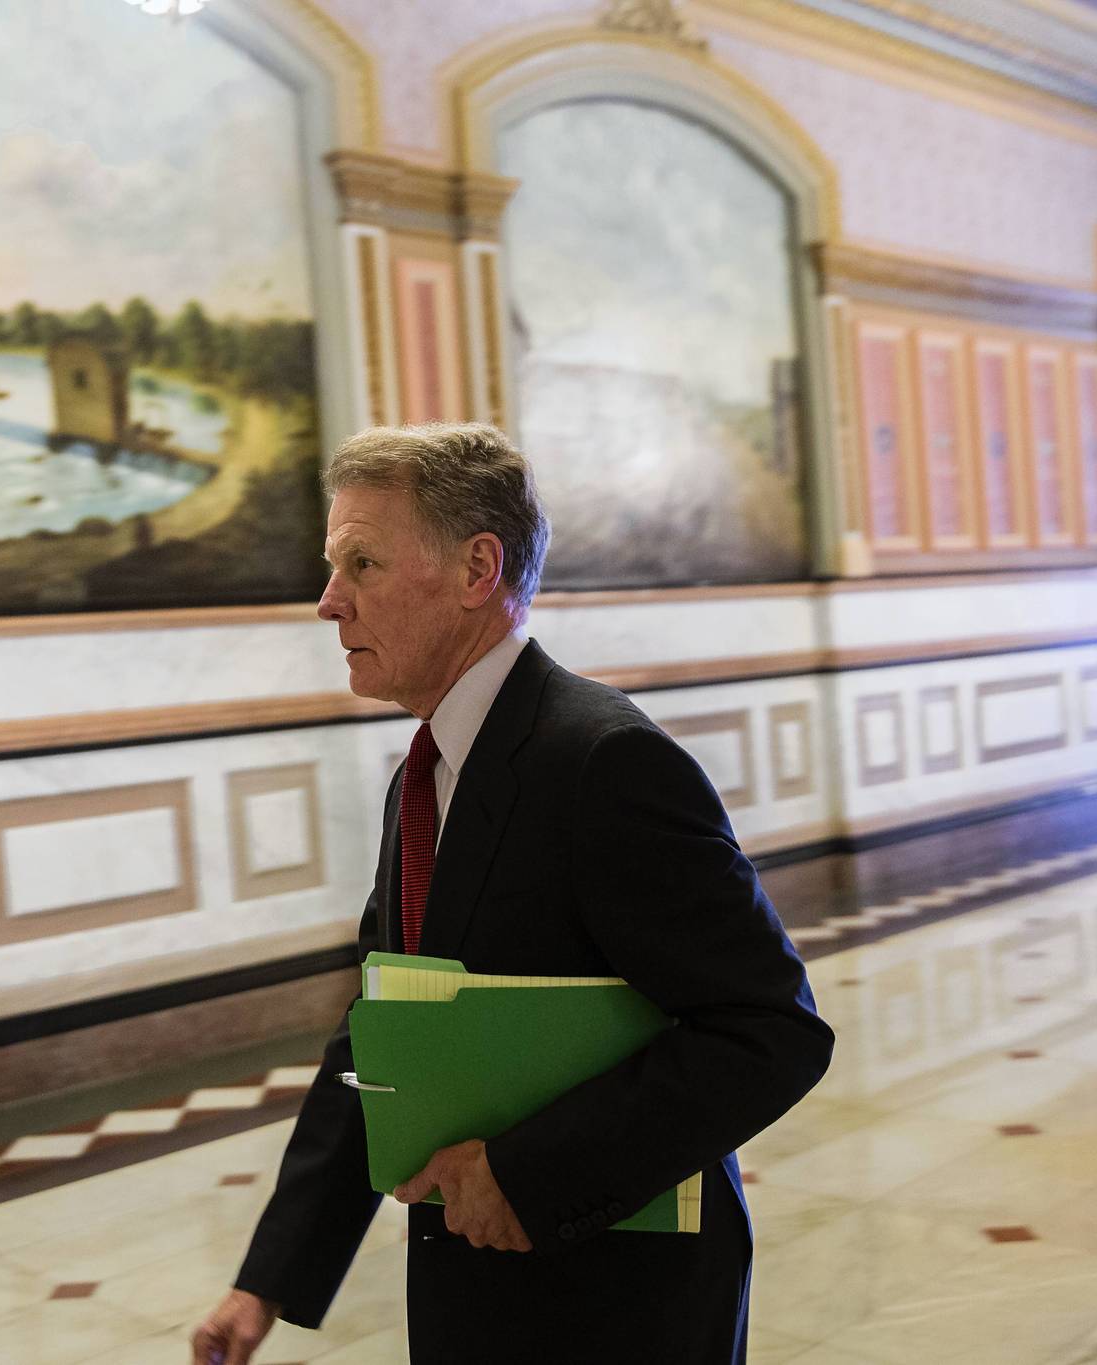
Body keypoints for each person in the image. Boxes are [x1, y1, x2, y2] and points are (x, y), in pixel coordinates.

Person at [191, 423, 833, 1364]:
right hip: (477, 1292)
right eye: (333, 567)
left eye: (361, 563)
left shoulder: (605, 762)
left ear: (476, 569)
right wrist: (271, 1278)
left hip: (615, 1304)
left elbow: (770, 1031)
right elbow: (382, 1030)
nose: (329, 602)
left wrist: (528, 1175)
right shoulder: (426, 774)